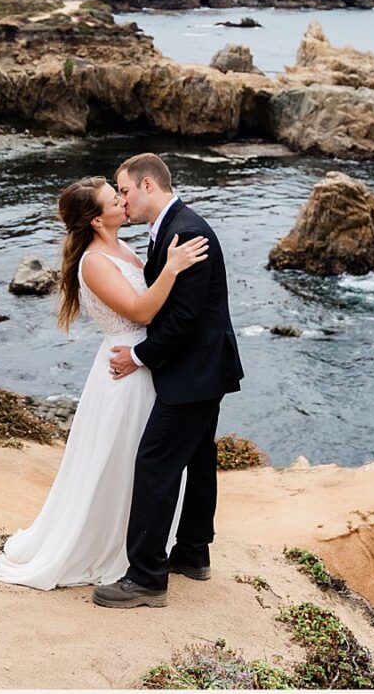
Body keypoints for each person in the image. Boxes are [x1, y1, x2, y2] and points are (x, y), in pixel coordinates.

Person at [0, 174, 209, 589]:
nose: (124, 204)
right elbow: (141, 311)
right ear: (95, 220)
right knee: (121, 460)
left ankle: (146, 543)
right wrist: (174, 269)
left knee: (138, 462)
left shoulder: (122, 246)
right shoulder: (93, 262)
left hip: (144, 363)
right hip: (123, 369)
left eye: (120, 195)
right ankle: (115, 548)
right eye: (114, 201)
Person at [93, 152, 244, 609]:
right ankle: (193, 553)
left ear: (147, 186)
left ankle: (146, 578)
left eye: (123, 190)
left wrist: (139, 355)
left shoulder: (188, 231)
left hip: (194, 371)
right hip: (203, 368)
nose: (122, 200)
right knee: (197, 459)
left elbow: (182, 319)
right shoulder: (170, 229)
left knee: (155, 462)